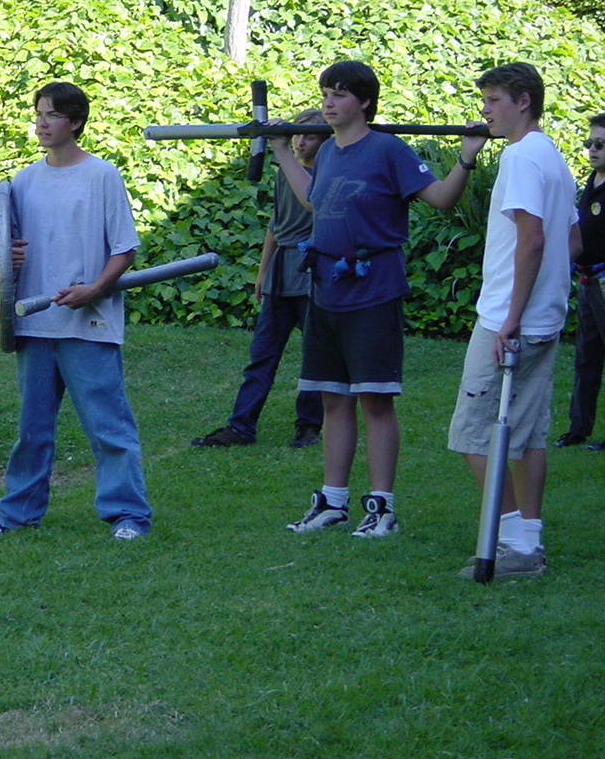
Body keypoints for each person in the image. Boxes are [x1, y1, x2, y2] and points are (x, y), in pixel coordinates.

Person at [269, 60, 486, 537]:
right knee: (332, 397)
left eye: (340, 94)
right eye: (325, 93)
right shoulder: (328, 152)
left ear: (364, 101)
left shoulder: (388, 149)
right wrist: (283, 151)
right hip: (326, 288)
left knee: (375, 400)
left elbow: (441, 198)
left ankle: (381, 507)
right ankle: (333, 501)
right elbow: (315, 201)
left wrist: (467, 157)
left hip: (373, 289)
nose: (328, 103)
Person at [0, 82, 152, 540]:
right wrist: (10, 257)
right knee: (32, 430)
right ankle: (17, 513)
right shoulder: (23, 181)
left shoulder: (102, 176)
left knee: (109, 428)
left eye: (51, 115)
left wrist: (95, 288)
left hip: (88, 324)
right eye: (38, 114)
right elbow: (11, 252)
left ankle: (128, 515)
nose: (41, 123)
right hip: (35, 323)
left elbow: (125, 249)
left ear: (75, 122)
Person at [449, 63, 579, 578]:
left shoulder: (522, 156)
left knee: (472, 433)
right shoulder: (552, 155)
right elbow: (571, 239)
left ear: (524, 101)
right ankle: (528, 543)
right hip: (542, 316)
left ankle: (509, 543)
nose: (485, 110)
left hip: (510, 319)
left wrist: (512, 317)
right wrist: (545, 298)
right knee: (528, 434)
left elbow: (533, 239)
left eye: (494, 100)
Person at [192, 109, 325, 448]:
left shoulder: (326, 177)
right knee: (262, 355)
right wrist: (263, 272)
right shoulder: (285, 173)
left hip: (311, 273)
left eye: (309, 136)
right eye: (296, 135)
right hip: (280, 274)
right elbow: (275, 225)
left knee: (316, 356)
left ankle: (309, 426)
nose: (300, 142)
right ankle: (241, 426)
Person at [552, 112, 605, 450]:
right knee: (586, 355)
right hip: (587, 280)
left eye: (600, 144)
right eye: (589, 143)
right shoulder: (592, 181)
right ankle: (578, 428)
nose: (592, 150)